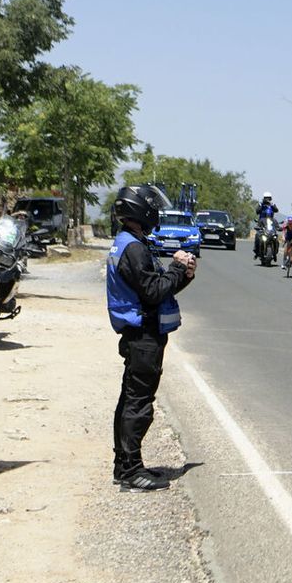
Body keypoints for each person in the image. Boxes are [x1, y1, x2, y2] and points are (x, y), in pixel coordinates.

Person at [107, 183, 196, 491]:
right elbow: (153, 290)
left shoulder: (130, 242)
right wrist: (176, 267)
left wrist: (182, 275)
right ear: (140, 209)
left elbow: (156, 290)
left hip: (142, 331)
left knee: (130, 399)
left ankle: (124, 465)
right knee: (138, 403)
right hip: (142, 335)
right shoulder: (132, 248)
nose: (155, 213)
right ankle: (131, 470)